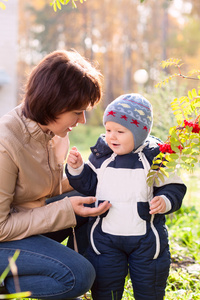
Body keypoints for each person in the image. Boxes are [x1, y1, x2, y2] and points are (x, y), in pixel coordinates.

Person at [0, 49, 111, 300]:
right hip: (2, 235)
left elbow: (38, 190)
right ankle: (11, 283)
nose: (82, 119)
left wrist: (90, 176)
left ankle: (93, 276)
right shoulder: (5, 143)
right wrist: (66, 210)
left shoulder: (52, 130)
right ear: (54, 104)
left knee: (92, 193)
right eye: (77, 111)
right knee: (78, 275)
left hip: (22, 220)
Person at [66, 93, 187, 300]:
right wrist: (77, 169)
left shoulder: (154, 156)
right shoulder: (102, 155)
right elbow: (89, 186)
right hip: (105, 239)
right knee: (105, 286)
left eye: (120, 131)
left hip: (147, 241)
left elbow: (174, 187)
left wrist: (165, 200)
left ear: (140, 134)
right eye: (108, 129)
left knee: (150, 285)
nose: (112, 136)